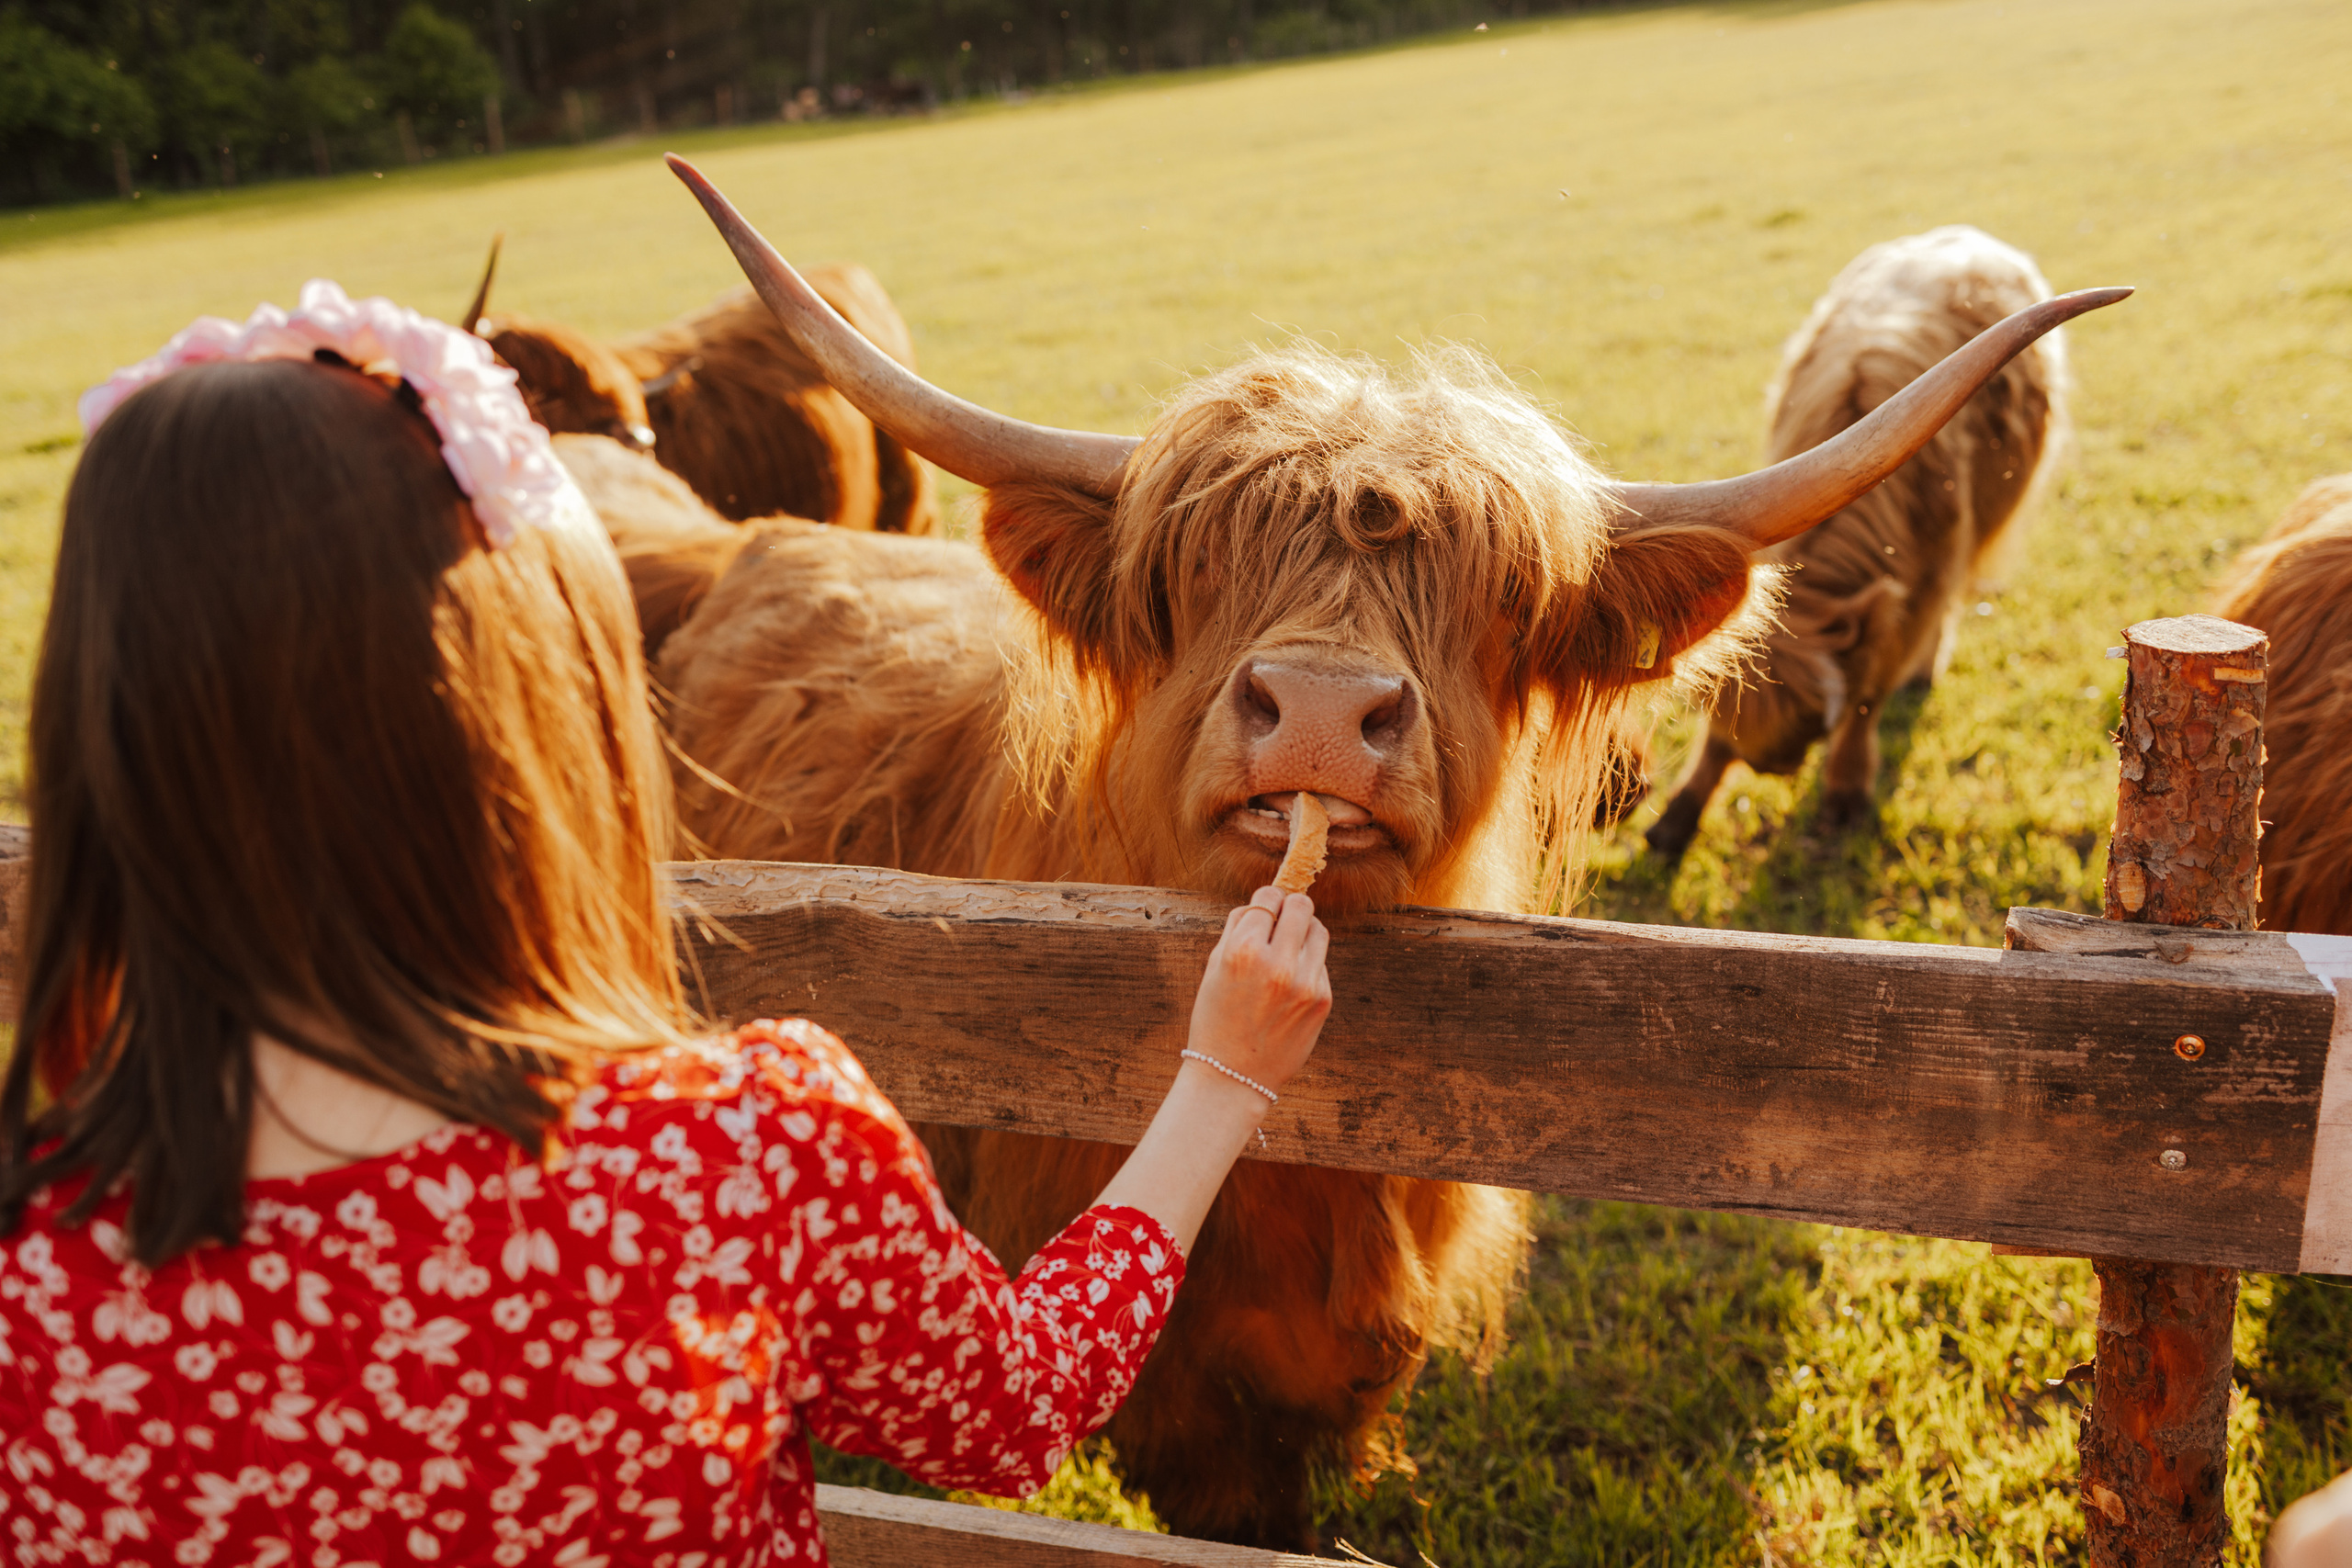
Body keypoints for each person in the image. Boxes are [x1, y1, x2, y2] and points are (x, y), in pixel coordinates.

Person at [0, 283, 1332, 1565]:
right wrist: (1221, 1082)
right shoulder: (746, 1152)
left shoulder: (33, 1272)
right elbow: (1018, 1409)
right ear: (545, 719)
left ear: (92, 732)